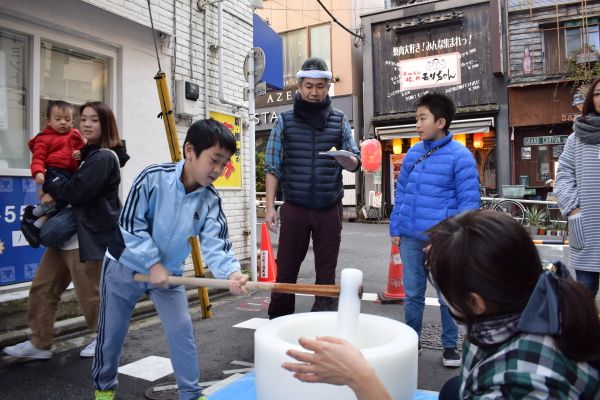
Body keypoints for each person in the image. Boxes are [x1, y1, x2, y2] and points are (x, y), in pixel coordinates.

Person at [284, 210, 600, 399]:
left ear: (475, 303)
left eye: (441, 284)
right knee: (452, 390)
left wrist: (359, 377)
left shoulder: (524, 385)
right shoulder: (536, 291)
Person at [91, 119, 250, 400]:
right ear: (190, 150)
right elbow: (131, 226)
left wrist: (232, 274)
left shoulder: (210, 200)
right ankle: (104, 390)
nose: (218, 170)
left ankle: (191, 394)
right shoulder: (152, 178)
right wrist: (153, 264)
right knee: (111, 336)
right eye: (214, 160)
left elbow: (217, 245)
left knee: (182, 333)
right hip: (124, 265)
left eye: (224, 164)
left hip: (170, 275)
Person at [3, 101, 129, 360]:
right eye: (83, 119)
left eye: (94, 120)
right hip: (65, 234)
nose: (86, 124)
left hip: (86, 237)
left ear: (106, 124)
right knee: (43, 288)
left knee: (90, 295)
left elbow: (78, 192)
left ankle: (105, 341)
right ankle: (39, 343)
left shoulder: (104, 156)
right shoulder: (85, 153)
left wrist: (50, 183)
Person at [264, 57, 361, 319]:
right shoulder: (284, 120)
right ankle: (279, 321)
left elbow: (355, 160)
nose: (314, 92)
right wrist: (270, 207)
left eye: (320, 86)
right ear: (299, 85)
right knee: (286, 269)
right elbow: (272, 166)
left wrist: (348, 160)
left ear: (328, 86)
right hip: (295, 206)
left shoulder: (340, 120)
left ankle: (323, 324)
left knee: (326, 272)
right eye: (309, 86)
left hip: (330, 207)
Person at [389, 92, 480, 367]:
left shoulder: (461, 156)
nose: (416, 123)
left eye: (422, 118)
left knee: (446, 296)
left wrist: (450, 238)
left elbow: (468, 205)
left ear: (440, 122)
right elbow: (401, 193)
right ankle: (412, 340)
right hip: (408, 236)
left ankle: (450, 345)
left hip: (442, 241)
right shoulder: (414, 152)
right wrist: (396, 226)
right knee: (413, 293)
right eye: (416, 117)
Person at [554, 76, 600, 299]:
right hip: (587, 227)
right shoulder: (576, 139)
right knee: (584, 296)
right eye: (598, 93)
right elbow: (562, 177)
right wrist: (574, 211)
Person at [20, 100, 86, 248]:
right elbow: (38, 158)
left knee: (62, 204)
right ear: (48, 121)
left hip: (71, 173)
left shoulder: (75, 135)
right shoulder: (43, 139)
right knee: (63, 199)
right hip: (54, 172)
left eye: (67, 120)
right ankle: (34, 214)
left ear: (73, 121)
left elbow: (84, 148)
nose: (63, 122)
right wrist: (38, 172)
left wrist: (80, 153)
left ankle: (35, 222)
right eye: (58, 119)